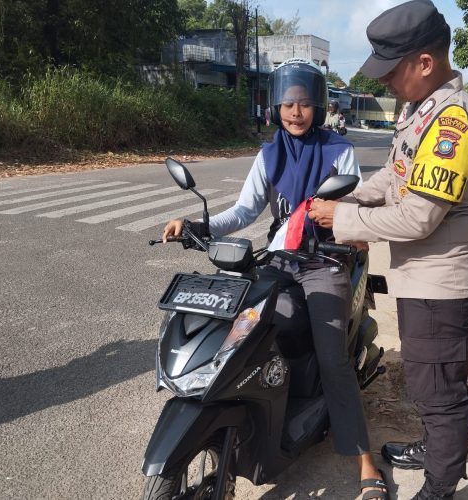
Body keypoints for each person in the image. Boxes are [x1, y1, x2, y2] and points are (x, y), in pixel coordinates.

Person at [162, 58, 389, 500]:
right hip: (281, 261)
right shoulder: (269, 153)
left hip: (325, 262)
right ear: (275, 107)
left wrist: (354, 232)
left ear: (318, 107)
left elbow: (356, 202)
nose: (295, 111)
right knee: (245, 328)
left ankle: (365, 461)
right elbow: (243, 212)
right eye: (288, 103)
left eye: (304, 103)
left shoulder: (337, 150)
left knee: (331, 357)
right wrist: (195, 226)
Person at [308, 1, 468, 499]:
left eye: (391, 72)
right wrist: (347, 195)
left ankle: (439, 487)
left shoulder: (451, 123)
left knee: (440, 396)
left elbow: (418, 216)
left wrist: (341, 220)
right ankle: (435, 450)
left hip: (442, 287)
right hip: (425, 281)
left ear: (425, 63)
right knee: (430, 385)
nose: (385, 83)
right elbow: (397, 176)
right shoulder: (420, 109)